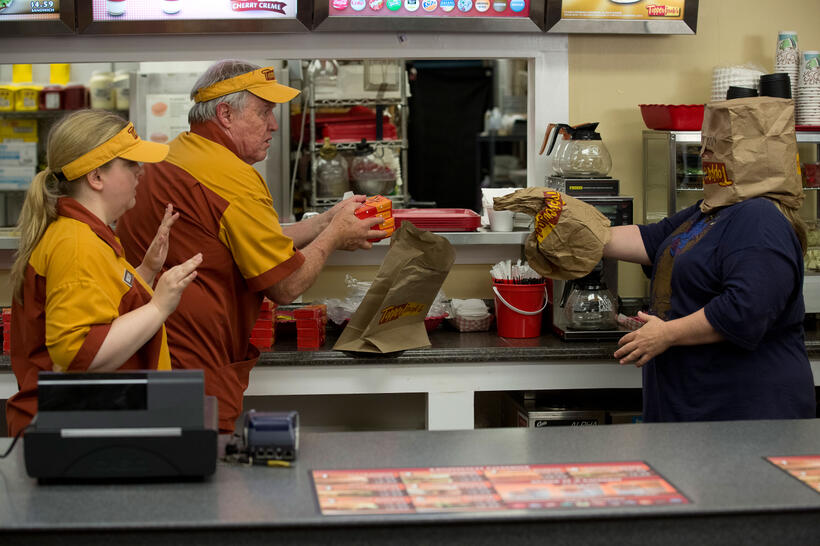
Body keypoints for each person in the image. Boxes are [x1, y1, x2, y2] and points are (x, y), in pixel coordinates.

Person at [116, 60, 384, 432]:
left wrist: (323, 222)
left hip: (145, 350)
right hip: (192, 363)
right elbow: (286, 286)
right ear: (225, 114)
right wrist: (334, 236)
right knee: (195, 469)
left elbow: (243, 240)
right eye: (264, 112)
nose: (274, 124)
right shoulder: (231, 178)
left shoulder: (176, 155)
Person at [603, 104, 815, 422]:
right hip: (696, 408)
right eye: (706, 144)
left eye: (717, 146)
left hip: (745, 415)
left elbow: (744, 311)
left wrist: (667, 332)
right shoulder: (711, 210)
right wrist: (574, 231)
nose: (705, 154)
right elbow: (650, 239)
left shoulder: (760, 218)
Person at [6, 110, 202, 437]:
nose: (141, 171)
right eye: (130, 164)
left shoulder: (85, 234)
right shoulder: (76, 244)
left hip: (87, 424)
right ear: (96, 177)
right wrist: (159, 306)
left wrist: (147, 271)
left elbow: (104, 309)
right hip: (70, 433)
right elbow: (79, 355)